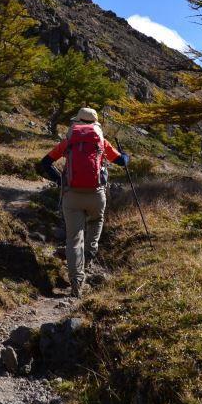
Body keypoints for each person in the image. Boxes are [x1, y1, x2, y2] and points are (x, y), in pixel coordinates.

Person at [36, 107, 129, 297]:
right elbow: (122, 162)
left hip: (72, 196)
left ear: (77, 122)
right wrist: (125, 155)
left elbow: (44, 163)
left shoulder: (68, 142)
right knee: (95, 224)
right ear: (95, 124)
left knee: (73, 240)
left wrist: (60, 180)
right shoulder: (102, 142)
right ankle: (88, 258)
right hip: (96, 195)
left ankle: (76, 283)